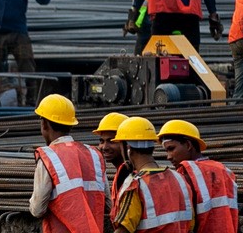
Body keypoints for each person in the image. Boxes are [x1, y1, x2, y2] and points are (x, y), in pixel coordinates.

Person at [29, 94, 107, 233]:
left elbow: (37, 209)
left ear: (44, 124)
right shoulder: (94, 154)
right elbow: (108, 203)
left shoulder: (48, 157)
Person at [110, 117, 194, 233]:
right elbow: (190, 225)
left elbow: (123, 230)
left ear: (128, 148)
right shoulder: (180, 179)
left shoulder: (136, 186)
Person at [158, 120, 238, 233]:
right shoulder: (223, 170)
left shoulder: (186, 172)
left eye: (171, 149)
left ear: (188, 145)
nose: (168, 157)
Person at [92, 112, 132, 216]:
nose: (104, 147)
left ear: (127, 143)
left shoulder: (129, 176)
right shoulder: (122, 173)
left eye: (111, 141)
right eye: (102, 141)